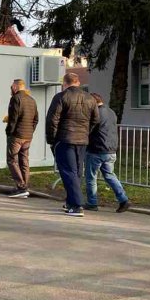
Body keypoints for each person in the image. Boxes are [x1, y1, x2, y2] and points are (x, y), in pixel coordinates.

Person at [46, 72, 99, 217]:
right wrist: (86, 132)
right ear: (78, 82)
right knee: (76, 171)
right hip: (82, 140)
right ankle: (71, 202)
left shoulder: (61, 97)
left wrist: (51, 139)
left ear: (65, 83)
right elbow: (95, 119)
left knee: (68, 172)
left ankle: (76, 205)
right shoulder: (90, 98)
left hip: (65, 139)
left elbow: (52, 120)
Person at [84, 93, 130, 212]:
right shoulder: (111, 112)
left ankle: (92, 202)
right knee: (110, 175)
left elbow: (89, 130)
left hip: (96, 149)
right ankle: (123, 199)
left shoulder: (96, 113)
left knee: (91, 177)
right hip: (110, 149)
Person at [5, 79, 39, 198]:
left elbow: (13, 118)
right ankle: (24, 186)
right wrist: (31, 130)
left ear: (15, 86)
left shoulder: (15, 99)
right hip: (28, 136)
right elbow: (36, 119)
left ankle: (21, 186)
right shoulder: (32, 100)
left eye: (12, 86)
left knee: (12, 160)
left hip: (17, 135)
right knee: (24, 161)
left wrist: (9, 132)